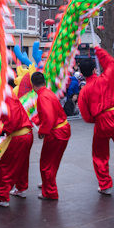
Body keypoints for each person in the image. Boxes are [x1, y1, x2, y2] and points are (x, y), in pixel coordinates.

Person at [78, 47, 114, 194]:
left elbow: (85, 115)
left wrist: (95, 119)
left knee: (99, 155)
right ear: (94, 70)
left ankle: (105, 185)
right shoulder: (106, 77)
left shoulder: (84, 91)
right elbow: (110, 62)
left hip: (101, 120)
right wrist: (98, 50)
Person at [32, 72, 70, 200]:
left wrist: (42, 131)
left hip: (55, 133)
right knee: (53, 162)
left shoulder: (42, 96)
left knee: (46, 163)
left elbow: (49, 117)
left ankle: (50, 192)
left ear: (32, 85)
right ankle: (47, 184)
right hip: (62, 130)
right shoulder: (48, 93)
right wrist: (35, 120)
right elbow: (49, 113)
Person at [0, 92, 34, 207]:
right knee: (22, 164)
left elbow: (12, 117)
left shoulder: (5, 96)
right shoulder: (6, 93)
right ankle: (21, 188)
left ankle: (2, 197)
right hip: (25, 134)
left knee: (6, 167)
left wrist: (4, 131)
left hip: (18, 136)